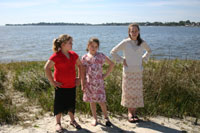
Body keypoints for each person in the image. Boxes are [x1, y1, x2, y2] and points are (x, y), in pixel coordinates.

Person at [110, 23, 152, 123]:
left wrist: (143, 59)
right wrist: (121, 60)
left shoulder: (141, 42)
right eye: (132, 31)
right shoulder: (125, 42)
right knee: (129, 92)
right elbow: (113, 52)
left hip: (138, 71)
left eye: (135, 31)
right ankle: (130, 113)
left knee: (136, 92)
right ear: (129, 32)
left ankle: (134, 113)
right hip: (128, 72)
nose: (134, 33)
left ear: (139, 32)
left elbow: (149, 51)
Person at [44, 34, 83, 132]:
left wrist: (79, 78)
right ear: (63, 44)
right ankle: (58, 123)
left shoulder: (74, 55)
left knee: (71, 104)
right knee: (59, 105)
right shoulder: (56, 56)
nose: (72, 44)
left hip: (72, 85)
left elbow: (80, 66)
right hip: (60, 86)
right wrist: (52, 81)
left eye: (71, 42)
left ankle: (72, 120)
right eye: (70, 43)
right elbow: (47, 68)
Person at [81, 37, 115, 126]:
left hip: (99, 83)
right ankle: (95, 118)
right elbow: (82, 72)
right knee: (92, 101)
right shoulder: (84, 58)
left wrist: (105, 75)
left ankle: (106, 118)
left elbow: (112, 64)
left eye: (96, 46)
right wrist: (82, 83)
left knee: (101, 101)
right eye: (92, 46)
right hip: (89, 84)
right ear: (88, 46)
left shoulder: (101, 56)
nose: (94, 48)